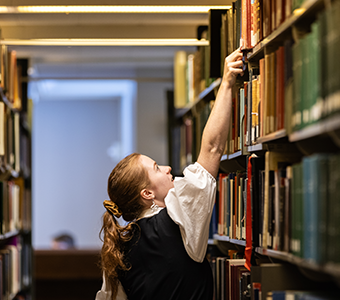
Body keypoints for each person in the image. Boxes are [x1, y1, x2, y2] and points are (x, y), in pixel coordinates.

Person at [95, 47, 244, 300]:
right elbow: (212, 148)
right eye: (156, 168)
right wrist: (227, 82)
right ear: (147, 193)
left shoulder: (118, 248)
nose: (167, 169)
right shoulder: (178, 218)